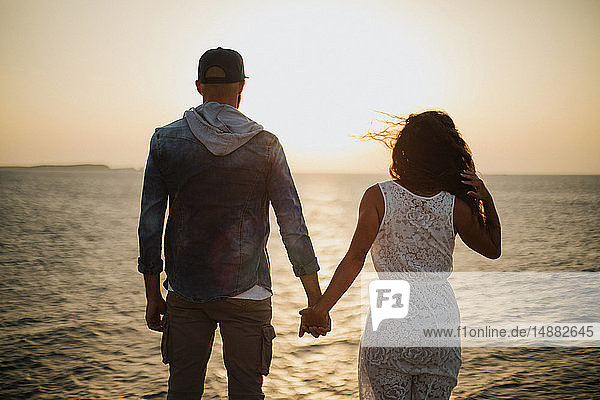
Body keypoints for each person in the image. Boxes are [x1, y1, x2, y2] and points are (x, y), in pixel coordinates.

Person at [137, 47, 330, 400]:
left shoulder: (165, 141)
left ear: (199, 87)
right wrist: (314, 300)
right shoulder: (266, 145)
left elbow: (150, 224)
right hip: (248, 293)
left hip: (184, 292)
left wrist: (153, 295)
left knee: (182, 392)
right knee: (247, 394)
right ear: (242, 86)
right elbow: (293, 225)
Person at [300, 111, 501, 399]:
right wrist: (487, 201)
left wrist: (321, 309)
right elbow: (493, 250)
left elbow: (355, 258)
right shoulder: (456, 206)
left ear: (404, 151)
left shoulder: (378, 197)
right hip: (438, 322)